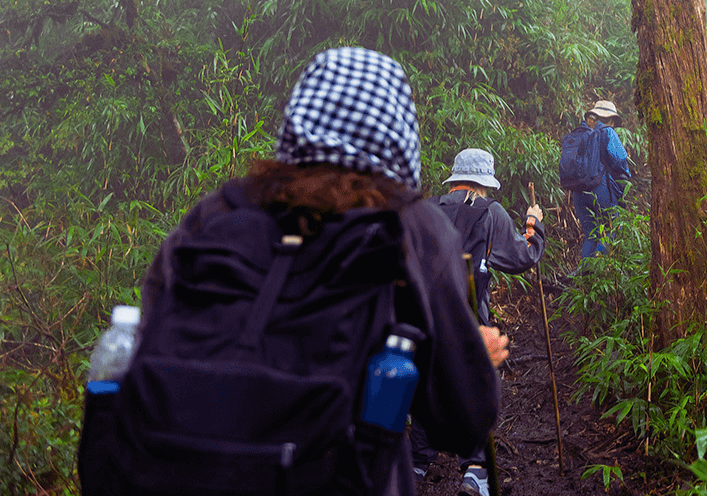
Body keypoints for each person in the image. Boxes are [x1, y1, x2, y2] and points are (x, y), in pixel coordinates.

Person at [137, 47, 502, 496]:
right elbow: (463, 419)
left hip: (182, 472)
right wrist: (475, 358)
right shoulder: (412, 229)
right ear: (399, 132)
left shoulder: (215, 215)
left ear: (297, 119)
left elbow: (148, 338)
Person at [410, 147, 546, 496]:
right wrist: (534, 224)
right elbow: (522, 256)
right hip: (470, 318)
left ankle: (416, 464)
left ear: (455, 179)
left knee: (427, 378)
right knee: (472, 384)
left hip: (424, 316)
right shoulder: (491, 213)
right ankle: (475, 470)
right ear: (485, 182)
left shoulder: (428, 210)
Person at [571, 100, 631, 259]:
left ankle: (584, 272)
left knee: (591, 235)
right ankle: (596, 269)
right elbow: (620, 158)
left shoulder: (581, 132)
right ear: (611, 120)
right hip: (600, 189)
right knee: (611, 229)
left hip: (577, 191)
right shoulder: (608, 132)